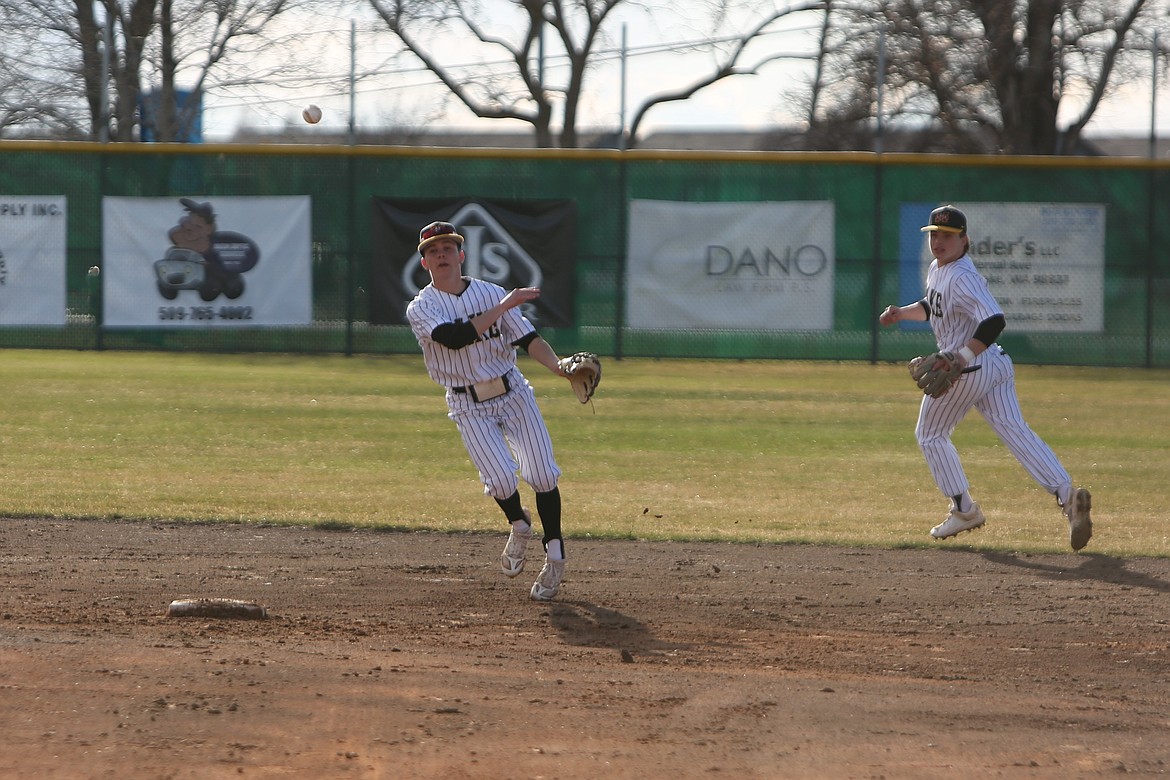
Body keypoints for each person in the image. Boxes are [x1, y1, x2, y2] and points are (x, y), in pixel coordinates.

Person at [878, 204, 1093, 550]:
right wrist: (902, 313)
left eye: (947, 236)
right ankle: (1068, 497)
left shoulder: (963, 276)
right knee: (1016, 432)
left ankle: (964, 510)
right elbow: (934, 305)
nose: (939, 241)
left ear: (964, 240)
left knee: (930, 435)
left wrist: (961, 357)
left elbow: (994, 321)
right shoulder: (938, 268)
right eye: (934, 234)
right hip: (994, 366)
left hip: (968, 369)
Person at [406, 220, 573, 600]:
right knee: (500, 481)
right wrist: (504, 305)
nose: (442, 254)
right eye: (433, 251)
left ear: (461, 255)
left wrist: (560, 369)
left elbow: (529, 339)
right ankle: (519, 523)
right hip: (466, 403)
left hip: (513, 393)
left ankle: (556, 554)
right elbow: (455, 338)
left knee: (543, 474)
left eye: (448, 248)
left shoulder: (490, 292)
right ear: (425, 264)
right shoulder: (422, 307)